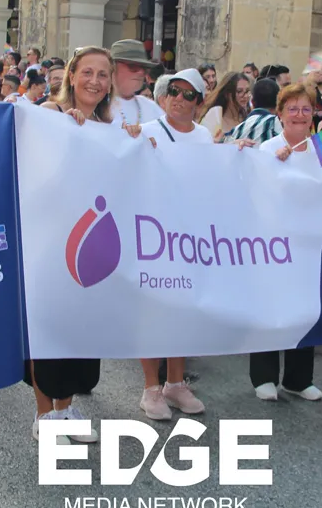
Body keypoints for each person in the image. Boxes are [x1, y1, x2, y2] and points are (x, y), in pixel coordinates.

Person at [30, 47, 118, 443]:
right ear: (71, 75)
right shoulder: (49, 112)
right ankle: (43, 413)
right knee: (47, 329)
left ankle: (65, 408)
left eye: (103, 74)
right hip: (50, 241)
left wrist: (136, 141)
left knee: (79, 329)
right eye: (87, 72)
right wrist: (63, 128)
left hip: (90, 246)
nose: (94, 81)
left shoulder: (108, 127)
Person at [137, 68, 213, 420]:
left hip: (189, 236)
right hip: (152, 235)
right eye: (174, 91)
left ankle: (176, 383)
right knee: (152, 310)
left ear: (199, 102)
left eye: (188, 94)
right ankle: (151, 388)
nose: (180, 99)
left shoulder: (204, 137)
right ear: (164, 95)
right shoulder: (145, 130)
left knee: (183, 308)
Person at [251, 83, 322, 402]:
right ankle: (263, 377)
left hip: (311, 245)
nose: (299, 115)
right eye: (292, 108)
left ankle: (298, 379)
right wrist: (270, 166)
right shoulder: (267, 149)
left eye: (306, 109)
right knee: (270, 308)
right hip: (274, 244)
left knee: (305, 310)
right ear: (280, 114)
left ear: (314, 114)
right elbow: (252, 191)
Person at [108, 39, 164, 128]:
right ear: (112, 68)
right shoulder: (97, 106)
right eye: (133, 66)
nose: (141, 72)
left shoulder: (152, 108)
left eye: (144, 68)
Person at [200, 72, 251, 142]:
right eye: (239, 91)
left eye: (247, 91)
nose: (245, 96)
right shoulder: (214, 117)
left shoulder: (249, 119)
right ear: (227, 94)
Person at [228, 77, 281, 145]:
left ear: (252, 102)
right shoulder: (279, 125)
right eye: (239, 91)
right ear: (279, 103)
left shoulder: (237, 130)